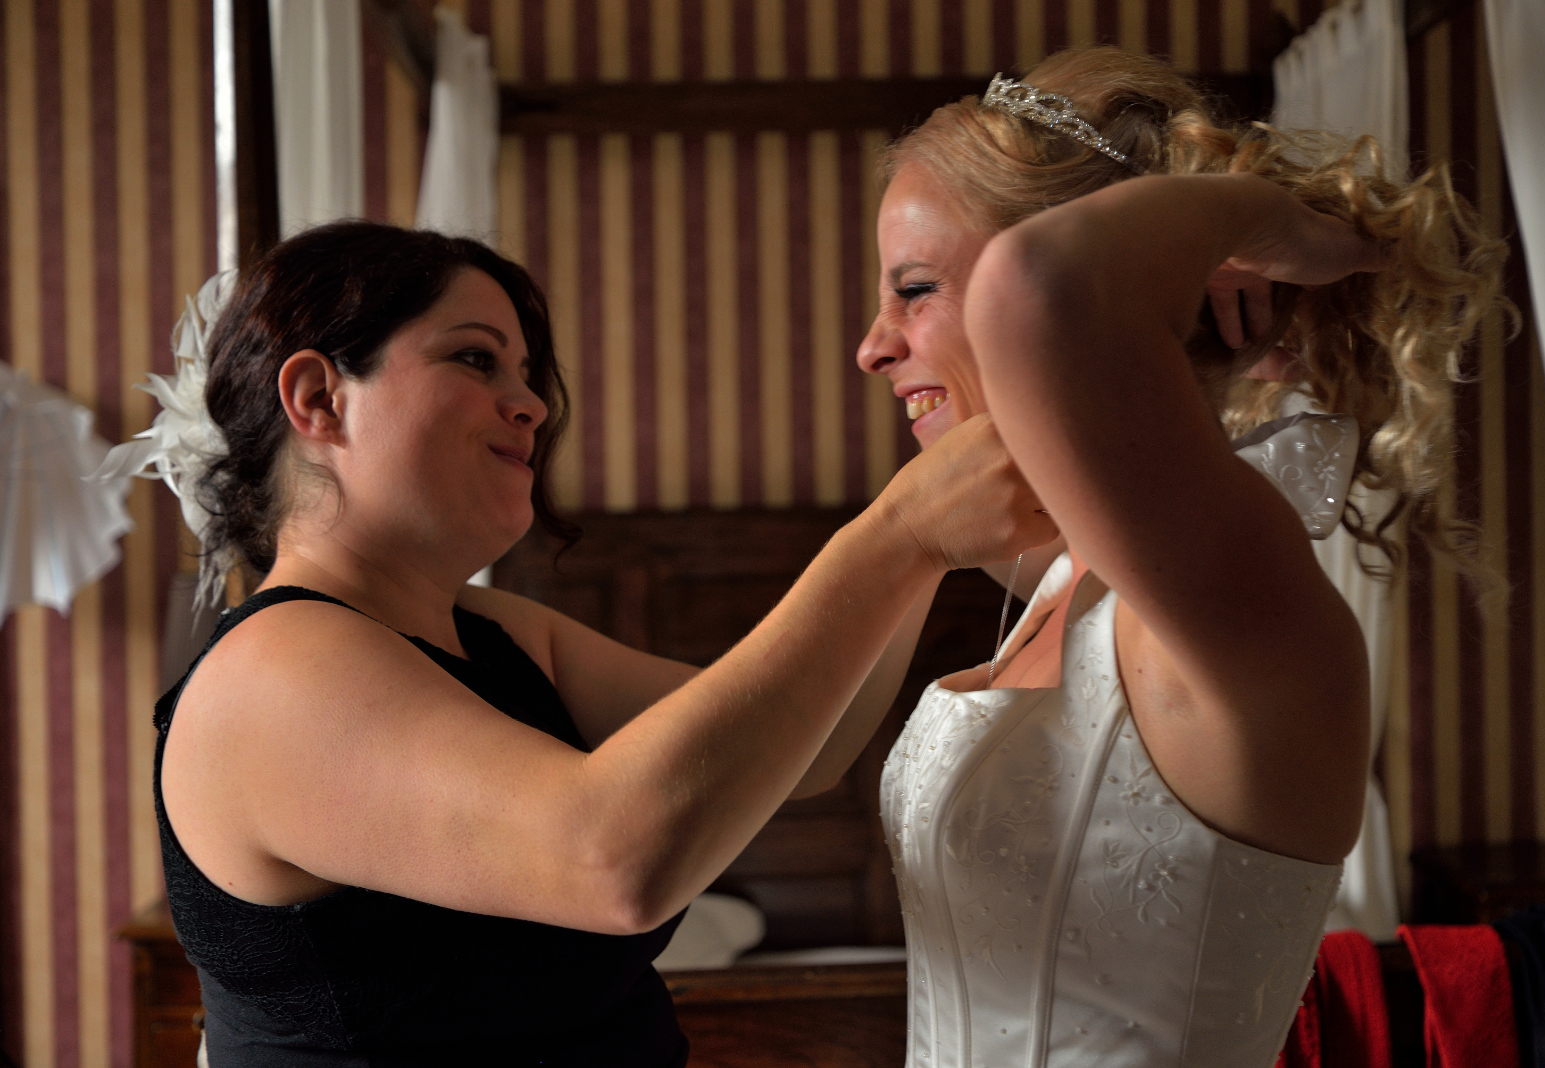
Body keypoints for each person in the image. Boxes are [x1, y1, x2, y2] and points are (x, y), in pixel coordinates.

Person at [152, 221, 1055, 1066]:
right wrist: (894, 535)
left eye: (525, 373)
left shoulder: (498, 633)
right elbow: (613, 861)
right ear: (319, 398)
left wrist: (924, 550)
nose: (531, 407)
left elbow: (803, 748)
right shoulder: (271, 676)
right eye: (476, 359)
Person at [858, 47, 1504, 1067]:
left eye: (916, 289)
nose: (873, 345)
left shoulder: (1240, 591)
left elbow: (1040, 287)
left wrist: (1255, 217)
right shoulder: (1065, 585)